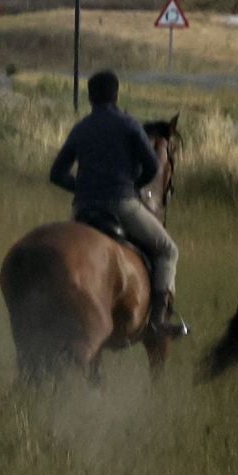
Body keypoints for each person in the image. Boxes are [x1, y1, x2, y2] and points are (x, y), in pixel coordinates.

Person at [48, 70, 185, 339]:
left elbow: (56, 174)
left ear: (89, 97)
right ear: (117, 95)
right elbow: (153, 166)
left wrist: (82, 187)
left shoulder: (80, 128)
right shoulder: (129, 125)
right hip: (122, 204)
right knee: (168, 250)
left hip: (83, 209)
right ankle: (157, 321)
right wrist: (134, 186)